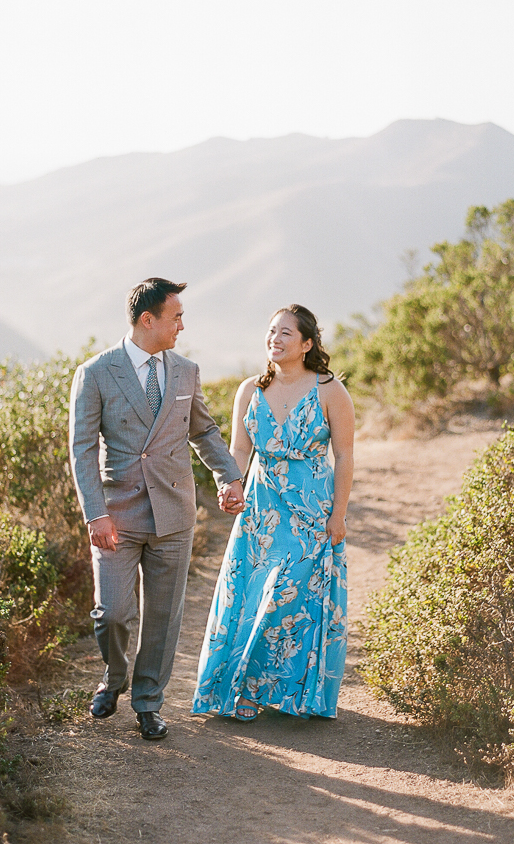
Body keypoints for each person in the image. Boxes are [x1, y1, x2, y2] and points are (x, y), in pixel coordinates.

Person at [69, 278, 246, 740]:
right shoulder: (96, 372)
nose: (182, 325)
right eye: (176, 317)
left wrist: (228, 475)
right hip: (117, 514)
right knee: (111, 613)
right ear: (148, 320)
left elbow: (203, 432)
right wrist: (95, 513)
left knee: (164, 616)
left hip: (174, 511)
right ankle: (114, 676)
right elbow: (82, 450)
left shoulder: (186, 371)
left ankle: (148, 702)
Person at [193, 304, 354, 721]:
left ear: (306, 343)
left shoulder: (329, 390)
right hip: (262, 512)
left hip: (310, 511)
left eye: (286, 333)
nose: (275, 339)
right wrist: (230, 484)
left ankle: (288, 692)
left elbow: (346, 454)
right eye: (271, 331)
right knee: (252, 596)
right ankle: (244, 688)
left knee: (291, 598)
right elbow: (240, 450)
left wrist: (338, 514)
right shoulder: (249, 389)